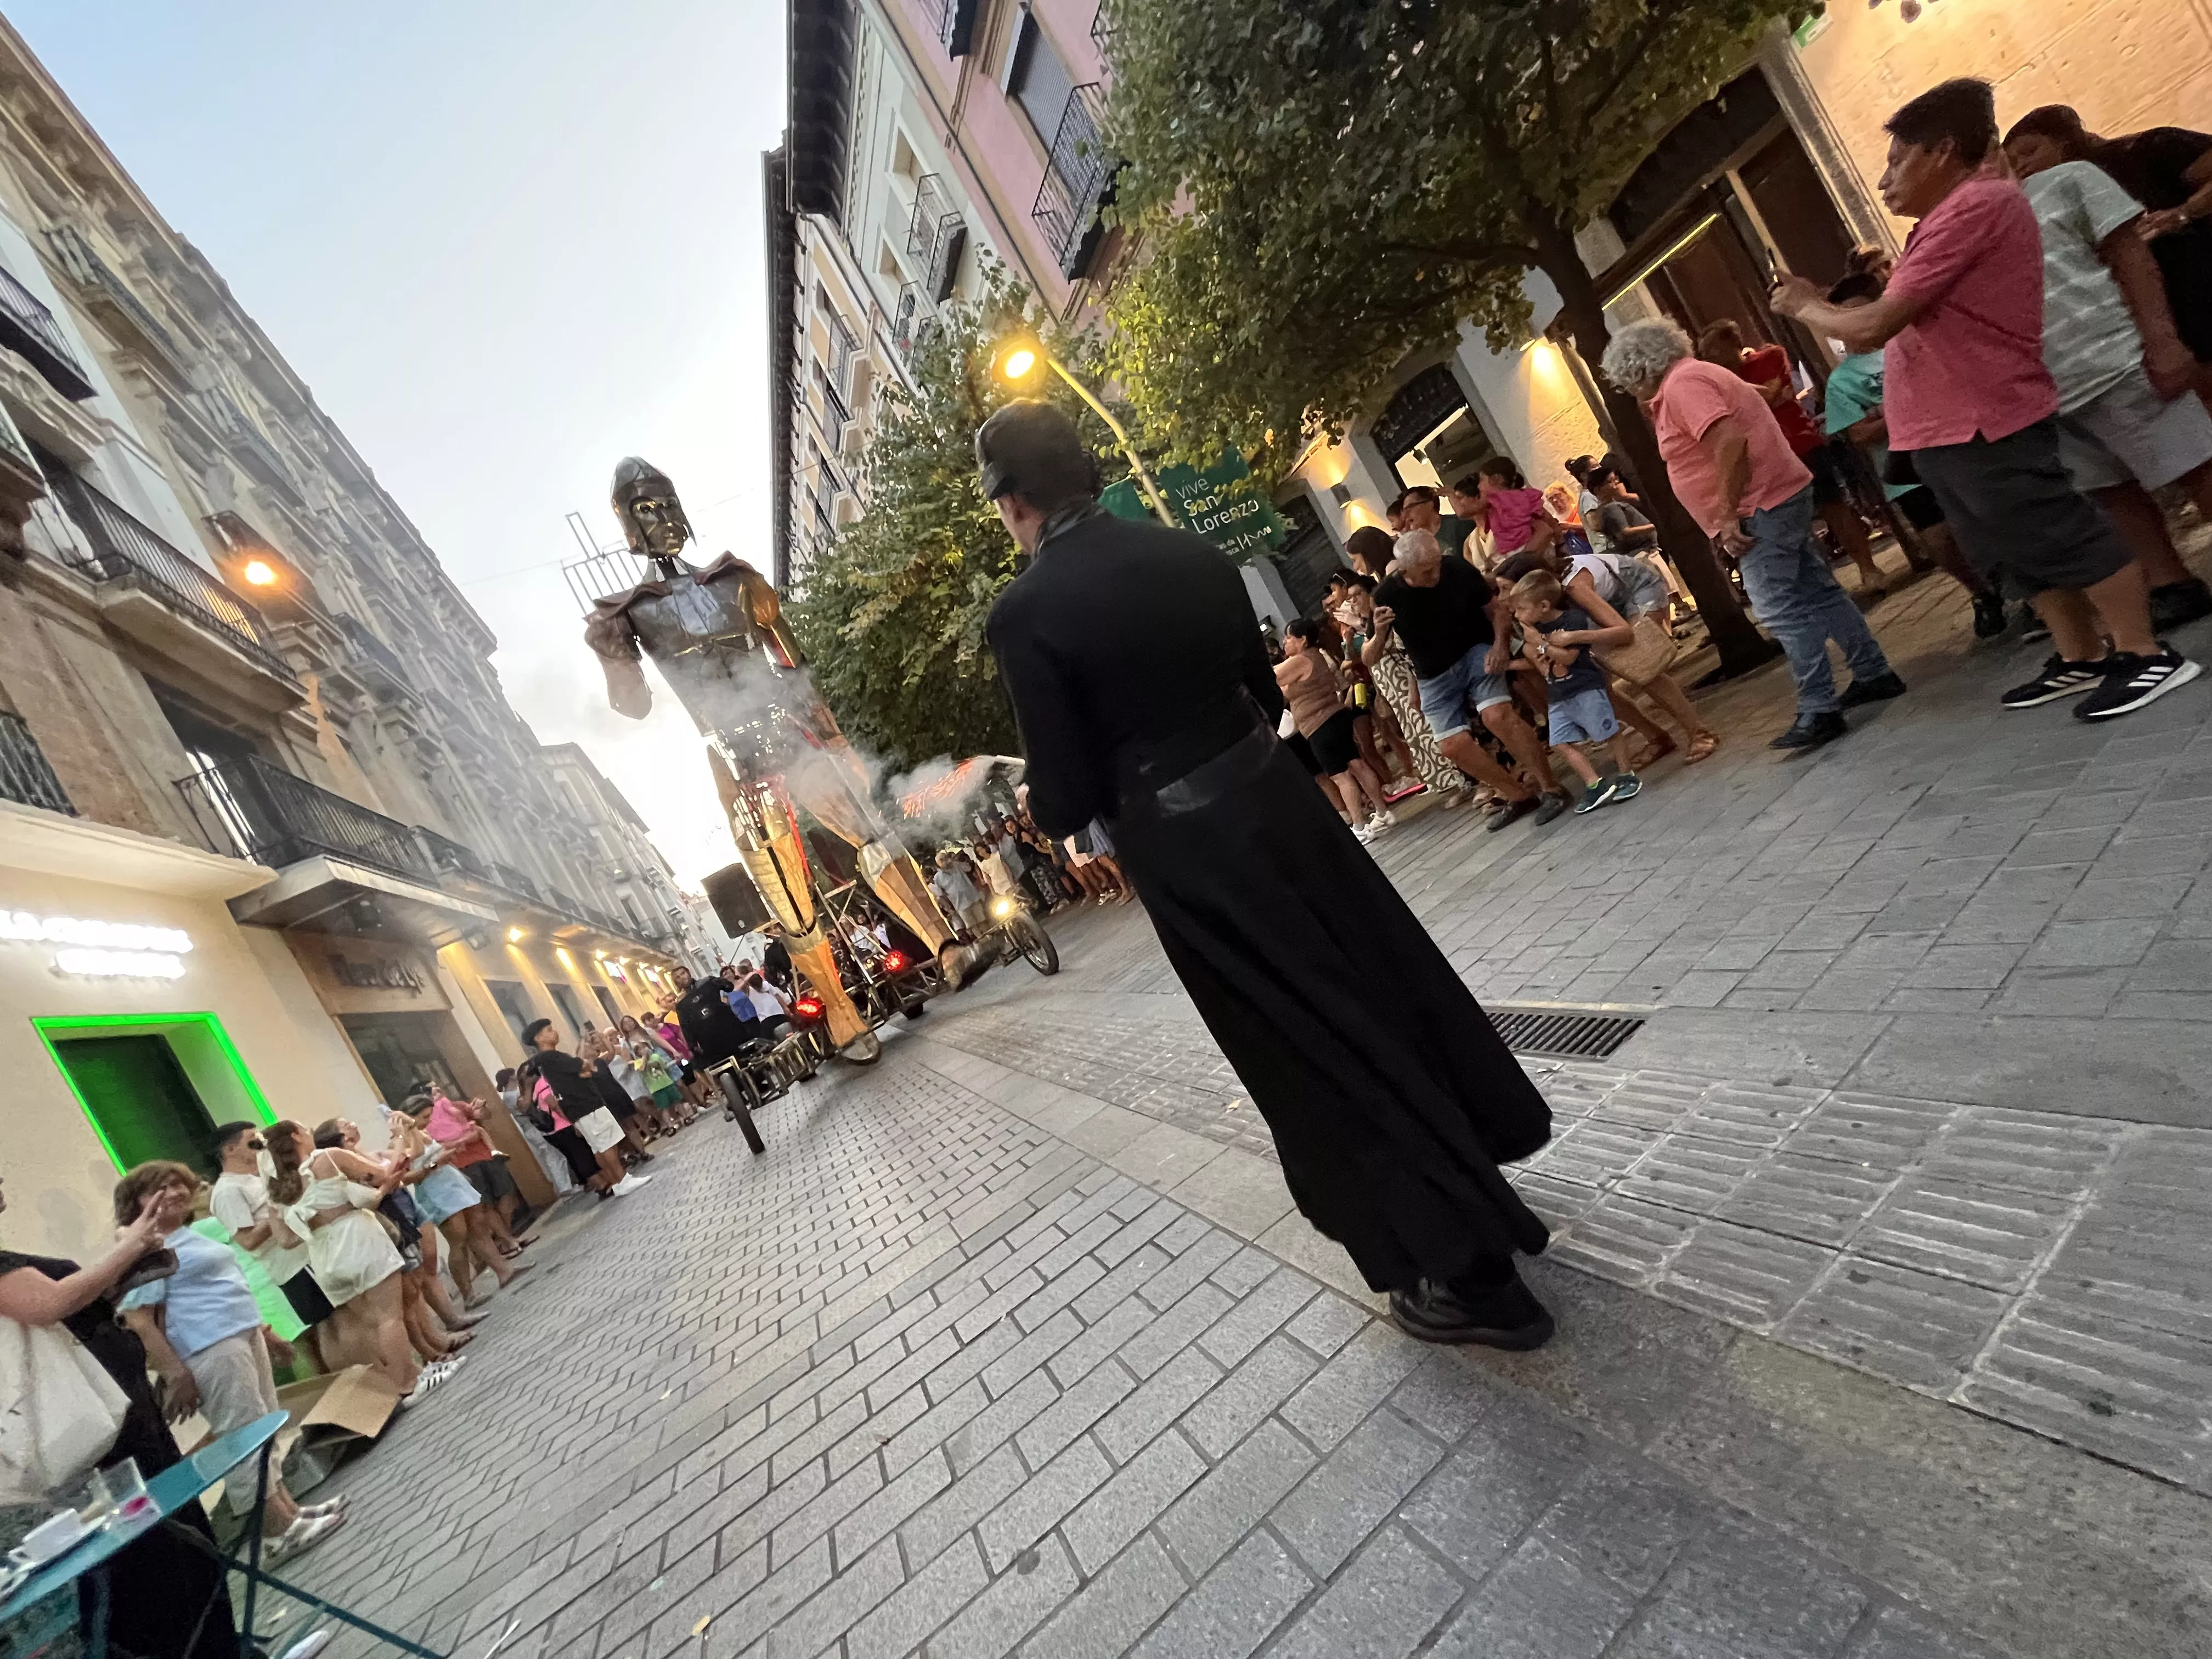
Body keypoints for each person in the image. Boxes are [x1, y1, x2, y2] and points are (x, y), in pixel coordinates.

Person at [980, 398, 1555, 1347]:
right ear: (1085, 472)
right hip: (1279, 803)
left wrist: (1035, 794)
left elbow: (1066, 791)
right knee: (1380, 982)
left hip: (1193, 852)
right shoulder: (1188, 554)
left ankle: (1470, 1270)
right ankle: (1476, 1170)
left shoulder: (1025, 613)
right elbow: (1254, 683)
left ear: (1011, 503)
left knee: (1309, 1042)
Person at [1770, 77, 2200, 721]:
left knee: (2060, 530)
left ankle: (2145, 652)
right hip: (1944, 424)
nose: (1886, 179)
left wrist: (1806, 304)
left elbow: (1873, 325)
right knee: (2014, 545)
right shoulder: (1946, 220)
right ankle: (2081, 655)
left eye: (1897, 159)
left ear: (1943, 151)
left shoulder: (1977, 206)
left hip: (1986, 411)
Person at [1602, 317, 1904, 749]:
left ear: (1639, 369)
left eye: (1625, 381)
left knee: (1779, 608)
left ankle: (1821, 708)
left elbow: (1729, 442)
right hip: (1773, 497)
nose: (1629, 391)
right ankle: (1874, 672)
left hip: (1759, 506)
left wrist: (1726, 514)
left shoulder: (1685, 384)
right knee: (1816, 591)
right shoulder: (1696, 377)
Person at [0, 1171, 244, 1659]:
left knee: (185, 1546)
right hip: (103, 1438)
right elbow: (51, 1304)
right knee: (163, 1558)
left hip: (122, 1417)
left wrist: (128, 1264)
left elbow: (70, 1307)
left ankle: (226, 1649)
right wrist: (130, 1247)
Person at [2002, 117, 2212, 633]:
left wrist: (2159, 339)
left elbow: (2128, 256)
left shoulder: (2089, 173)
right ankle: (2171, 582)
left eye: (2029, 150)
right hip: (2056, 384)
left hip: (2126, 345)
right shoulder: (1985, 217)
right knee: (2111, 488)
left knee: (2193, 460)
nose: (2022, 162)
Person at [111, 1162, 346, 1564]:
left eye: (177, 1184)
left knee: (263, 1425)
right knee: (242, 1437)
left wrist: (265, 1333)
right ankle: (275, 1532)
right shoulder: (145, 1251)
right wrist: (174, 1371)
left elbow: (225, 1289)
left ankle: (288, 1512)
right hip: (208, 1348)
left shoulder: (186, 1236)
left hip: (240, 1335)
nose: (174, 1192)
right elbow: (139, 1319)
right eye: (159, 1188)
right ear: (136, 1204)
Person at [1818, 271, 2007, 637]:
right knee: (1939, 539)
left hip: (1954, 447)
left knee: (1985, 521)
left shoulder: (1913, 342)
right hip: (1906, 470)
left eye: (1862, 312)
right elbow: (1858, 434)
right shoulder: (1842, 382)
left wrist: (1884, 411)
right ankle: (1982, 592)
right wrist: (1899, 407)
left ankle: (2024, 588)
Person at [2003, 105, 2212, 403]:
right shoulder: (2052, 207)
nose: (2022, 165)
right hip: (2175, 329)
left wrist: (2183, 213)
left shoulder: (2146, 150)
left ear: (2064, 140)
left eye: (2030, 151)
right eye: (2012, 163)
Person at [1370, 526, 1572, 828]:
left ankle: (1551, 788)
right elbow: (1371, 658)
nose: (1435, 574)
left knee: (1496, 716)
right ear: (1405, 570)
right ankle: (1517, 795)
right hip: (1433, 675)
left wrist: (1500, 645)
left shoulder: (1457, 569)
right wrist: (1379, 631)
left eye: (1437, 564)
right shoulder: (1386, 595)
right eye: (1426, 571)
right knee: (1451, 746)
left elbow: (1498, 612)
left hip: (1475, 652)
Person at [1698, 318, 1889, 595]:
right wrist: (1770, 397)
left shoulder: (1770, 356)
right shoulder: (1716, 382)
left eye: (1713, 350)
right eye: (1705, 353)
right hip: (1764, 458)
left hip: (1801, 444)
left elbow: (1774, 395)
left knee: (1833, 506)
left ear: (1734, 344)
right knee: (1794, 523)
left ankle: (1868, 568)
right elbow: (1769, 397)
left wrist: (1765, 399)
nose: (1709, 359)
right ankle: (1827, 586)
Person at [262, 1121, 442, 1403]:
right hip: (358, 1242)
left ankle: (402, 1378)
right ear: (296, 1135)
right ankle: (407, 1383)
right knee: (389, 1317)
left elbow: (285, 1240)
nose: (309, 1132)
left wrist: (319, 1220)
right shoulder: (327, 1158)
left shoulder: (275, 1189)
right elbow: (382, 1174)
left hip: (323, 1255)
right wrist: (397, 1141)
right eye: (304, 1128)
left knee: (370, 1324)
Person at [1508, 573, 1641, 814]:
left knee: (1608, 731)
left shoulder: (1572, 620)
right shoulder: (1535, 630)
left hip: (1585, 687)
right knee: (1559, 742)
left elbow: (1569, 657)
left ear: (1544, 606)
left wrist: (1540, 643)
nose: (1517, 615)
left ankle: (1627, 774)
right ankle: (1594, 783)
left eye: (1521, 609)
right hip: (1559, 694)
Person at [208, 1120, 336, 1370]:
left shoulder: (258, 1177)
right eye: (252, 1142)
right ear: (230, 1150)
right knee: (329, 1328)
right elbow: (248, 1241)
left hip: (309, 1254)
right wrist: (277, 1208)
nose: (261, 1145)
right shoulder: (227, 1191)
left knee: (342, 1319)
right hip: (292, 1267)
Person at [1276, 617, 1395, 842]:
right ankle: (1382, 813)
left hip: (1321, 725)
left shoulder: (1302, 659)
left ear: (1302, 640)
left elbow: (1273, 677)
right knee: (1357, 764)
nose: (1285, 642)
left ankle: (1359, 826)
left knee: (1340, 777)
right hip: (1334, 718)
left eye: (1289, 637)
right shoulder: (1313, 657)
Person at [412, 1093, 530, 1301]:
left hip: (453, 1181)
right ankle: (468, 1294)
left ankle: (504, 1271)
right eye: (424, 1117)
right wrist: (436, 1162)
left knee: (478, 1229)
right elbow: (408, 1173)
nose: (429, 1121)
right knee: (458, 1240)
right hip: (437, 1191)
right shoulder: (405, 1141)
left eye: (429, 1115)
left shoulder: (423, 1134)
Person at [521, 1020, 646, 1198]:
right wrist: (582, 1069)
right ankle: (623, 1179)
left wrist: (583, 1071)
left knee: (598, 1148)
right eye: (549, 1030)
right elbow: (584, 1066)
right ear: (539, 1038)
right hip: (585, 1104)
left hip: (578, 1107)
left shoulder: (545, 1061)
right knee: (607, 1144)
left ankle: (617, 1182)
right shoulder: (552, 1057)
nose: (555, 1032)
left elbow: (583, 1071)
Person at [1470, 460, 1557, 563]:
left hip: (1538, 559)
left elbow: (1545, 531)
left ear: (1496, 479)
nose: (1479, 487)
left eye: (1482, 480)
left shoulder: (1516, 502)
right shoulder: (1497, 507)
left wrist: (1521, 562)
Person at [932, 847, 989, 931]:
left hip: (972, 898)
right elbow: (940, 894)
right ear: (938, 864)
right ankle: (984, 941)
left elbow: (968, 869)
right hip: (960, 904)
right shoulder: (937, 878)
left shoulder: (957, 865)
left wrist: (955, 862)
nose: (944, 861)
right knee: (972, 925)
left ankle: (991, 936)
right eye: (941, 860)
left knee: (982, 920)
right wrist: (949, 907)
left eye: (945, 858)